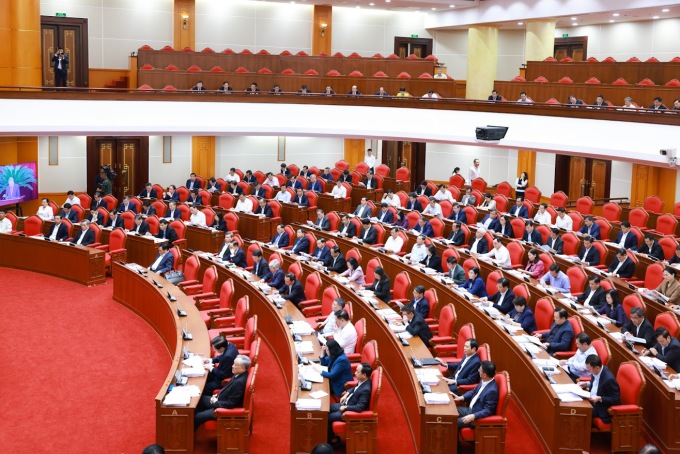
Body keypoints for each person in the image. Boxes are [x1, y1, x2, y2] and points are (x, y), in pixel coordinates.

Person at [194, 355, 251, 429]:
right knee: (200, 399)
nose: (232, 366)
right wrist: (217, 394)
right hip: (219, 399)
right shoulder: (239, 374)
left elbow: (231, 404)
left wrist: (216, 402)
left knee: (197, 416)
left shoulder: (239, 383)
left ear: (242, 368)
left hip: (223, 408)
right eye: (233, 363)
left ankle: (190, 433)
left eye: (235, 365)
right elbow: (227, 388)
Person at [327, 363, 372, 444]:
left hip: (348, 411)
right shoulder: (363, 381)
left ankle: (333, 440)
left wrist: (346, 407)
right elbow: (355, 388)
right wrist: (347, 393)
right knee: (326, 409)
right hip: (345, 403)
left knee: (328, 418)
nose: (355, 373)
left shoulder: (366, 390)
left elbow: (359, 407)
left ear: (364, 375)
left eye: (357, 372)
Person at [453, 361, 499, 428]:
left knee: (453, 422)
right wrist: (462, 397)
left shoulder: (492, 391)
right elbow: (473, 391)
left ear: (484, 375)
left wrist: (473, 416)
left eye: (480, 370)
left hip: (475, 418)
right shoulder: (484, 380)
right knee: (452, 412)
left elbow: (488, 410)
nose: (478, 371)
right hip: (469, 410)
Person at [580, 355, 620, 424]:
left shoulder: (609, 379)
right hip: (591, 400)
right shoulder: (596, 371)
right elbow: (597, 383)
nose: (589, 372)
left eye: (589, 370)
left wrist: (600, 398)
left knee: (581, 413)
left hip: (601, 407)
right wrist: (587, 384)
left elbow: (616, 399)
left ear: (597, 368)